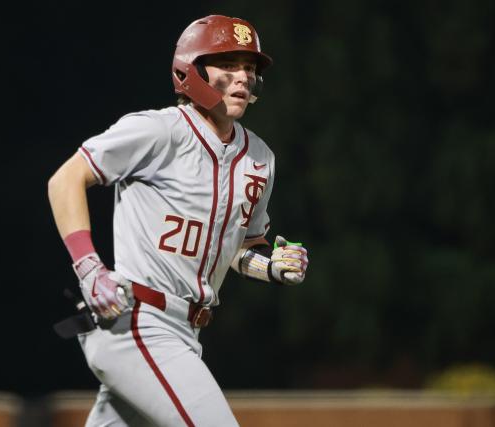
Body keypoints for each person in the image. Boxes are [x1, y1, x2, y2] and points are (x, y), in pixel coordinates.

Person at [48, 14, 309, 427]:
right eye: (228, 65)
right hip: (137, 322)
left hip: (184, 332)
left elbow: (240, 248)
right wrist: (88, 266)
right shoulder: (159, 130)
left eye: (250, 67)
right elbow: (65, 180)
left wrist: (271, 266)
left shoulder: (260, 159)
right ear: (192, 69)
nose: (243, 77)